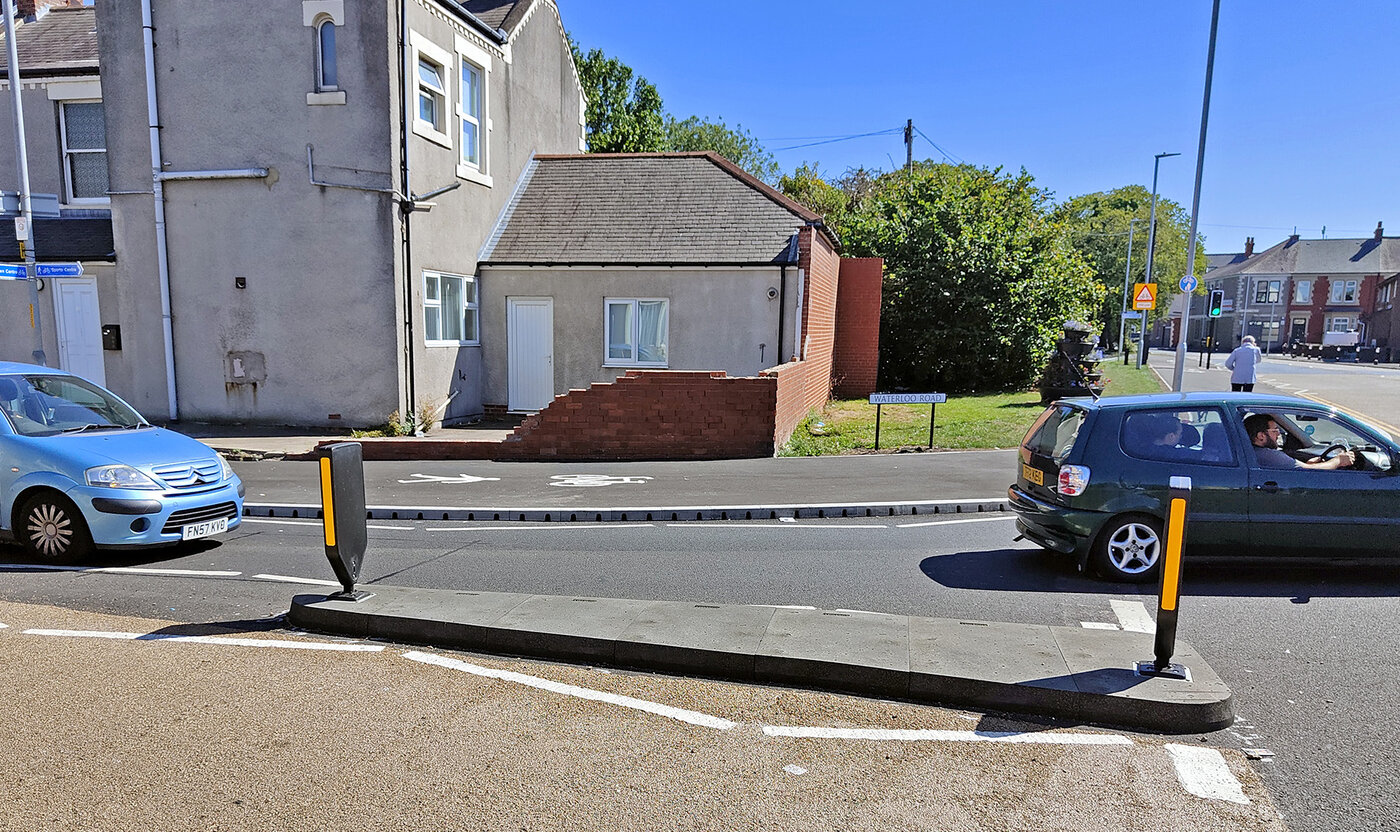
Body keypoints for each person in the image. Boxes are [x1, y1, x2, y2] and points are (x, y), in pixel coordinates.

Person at [1243, 413, 1353, 470]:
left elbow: (1305, 467)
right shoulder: (1268, 455)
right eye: (1275, 430)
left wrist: (1308, 463)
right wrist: (1338, 461)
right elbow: (1308, 472)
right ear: (1261, 436)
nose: (1278, 434)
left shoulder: (1252, 452)